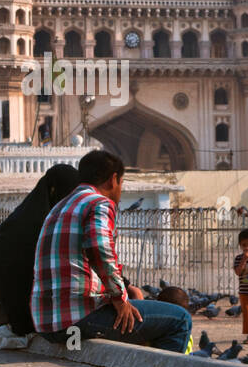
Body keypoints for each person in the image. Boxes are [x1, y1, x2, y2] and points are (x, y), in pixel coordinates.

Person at [32, 149, 192, 353]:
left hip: (47, 324)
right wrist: (120, 299)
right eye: (122, 183)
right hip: (77, 319)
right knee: (180, 319)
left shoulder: (59, 207)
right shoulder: (99, 203)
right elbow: (99, 249)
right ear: (113, 179)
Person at [0, 164, 81, 337]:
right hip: (34, 316)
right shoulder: (40, 226)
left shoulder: (23, 217)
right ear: (55, 191)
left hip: (20, 315)